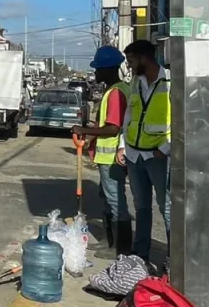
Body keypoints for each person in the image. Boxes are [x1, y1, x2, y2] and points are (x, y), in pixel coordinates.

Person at [72, 46, 131, 256]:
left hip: (112, 156)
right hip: (107, 156)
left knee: (115, 200)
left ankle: (119, 247)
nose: (95, 74)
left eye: (98, 69)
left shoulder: (115, 93)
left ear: (108, 69)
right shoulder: (116, 90)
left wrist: (84, 130)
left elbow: (113, 127)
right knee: (107, 199)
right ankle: (109, 240)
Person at [117, 40, 170, 263]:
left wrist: (165, 148)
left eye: (131, 61)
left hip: (157, 155)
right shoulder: (136, 82)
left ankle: (174, 258)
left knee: (166, 208)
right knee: (141, 207)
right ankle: (140, 254)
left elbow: (182, 119)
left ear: (144, 58)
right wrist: (122, 145)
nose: (129, 66)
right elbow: (130, 115)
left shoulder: (170, 81)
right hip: (134, 154)